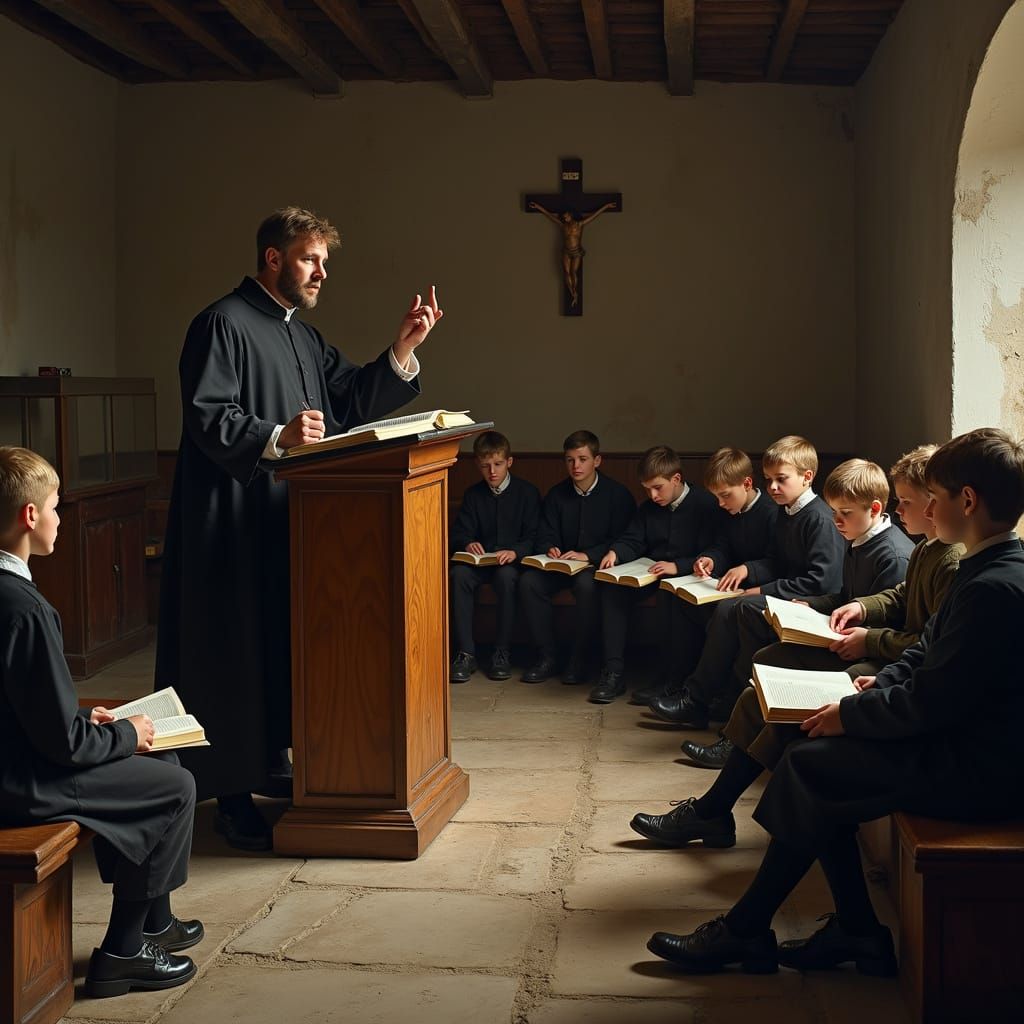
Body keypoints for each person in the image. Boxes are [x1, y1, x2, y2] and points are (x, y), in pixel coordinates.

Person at [645, 427, 1024, 976]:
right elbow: (926, 653)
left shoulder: (992, 585)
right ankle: (850, 930)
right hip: (955, 741)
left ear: (967, 501)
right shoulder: (981, 566)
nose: (925, 509)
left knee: (811, 769)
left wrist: (850, 712)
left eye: (934, 498)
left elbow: (932, 703)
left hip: (978, 769)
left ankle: (752, 929)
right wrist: (878, 685)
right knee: (808, 756)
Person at [155, 207, 442, 851]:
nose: (321, 273)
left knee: (279, 646)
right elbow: (207, 415)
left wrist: (403, 350)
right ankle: (230, 797)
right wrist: (274, 436)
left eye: (324, 262)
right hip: (229, 523)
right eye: (311, 260)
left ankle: (269, 763)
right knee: (231, 653)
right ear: (273, 258)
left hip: (290, 519)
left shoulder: (302, 335)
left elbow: (349, 400)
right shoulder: (221, 323)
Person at [0, 447, 201, 998]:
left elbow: (20, 703)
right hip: (22, 780)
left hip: (18, 756)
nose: (60, 518)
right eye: (55, 506)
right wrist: (124, 733)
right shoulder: (25, 609)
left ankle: (156, 920)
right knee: (175, 788)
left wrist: (87, 717)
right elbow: (64, 747)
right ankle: (122, 952)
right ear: (29, 516)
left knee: (164, 757)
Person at [673, 445, 962, 781]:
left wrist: (866, 637)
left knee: (784, 669)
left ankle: (760, 755)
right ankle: (737, 741)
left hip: (882, 656)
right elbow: (880, 597)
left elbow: (919, 638)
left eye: (906, 502)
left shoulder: (907, 555)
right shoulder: (917, 546)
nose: (899, 510)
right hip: (864, 640)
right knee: (766, 656)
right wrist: (819, 606)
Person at [648, 435, 844, 727]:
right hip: (786, 595)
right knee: (710, 606)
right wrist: (747, 571)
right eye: (769, 480)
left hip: (810, 606)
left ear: (807, 477)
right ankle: (706, 696)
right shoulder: (787, 511)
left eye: (781, 479)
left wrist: (758, 588)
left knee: (731, 609)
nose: (773, 487)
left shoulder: (818, 518)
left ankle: (699, 700)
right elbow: (775, 561)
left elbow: (821, 583)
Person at [632, 447, 776, 707]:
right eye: (717, 497)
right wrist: (709, 559)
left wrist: (747, 569)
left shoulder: (770, 512)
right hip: (728, 585)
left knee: (720, 614)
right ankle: (677, 681)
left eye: (725, 496)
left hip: (756, 589)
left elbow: (779, 562)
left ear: (747, 484)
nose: (720, 503)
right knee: (680, 599)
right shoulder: (728, 510)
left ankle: (701, 694)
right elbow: (721, 547)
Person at [590, 445, 717, 705]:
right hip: (650, 572)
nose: (652, 495)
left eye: (658, 487)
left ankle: (671, 680)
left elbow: (714, 549)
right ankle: (613, 673)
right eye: (647, 489)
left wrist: (679, 566)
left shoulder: (705, 504)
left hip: (688, 576)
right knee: (612, 590)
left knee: (670, 594)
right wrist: (616, 552)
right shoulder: (649, 507)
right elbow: (633, 539)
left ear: (676, 479)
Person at [519, 429, 635, 685]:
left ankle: (579, 659)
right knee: (529, 582)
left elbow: (624, 539)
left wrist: (588, 555)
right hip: (561, 566)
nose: (576, 466)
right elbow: (544, 533)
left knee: (586, 585)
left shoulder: (618, 495)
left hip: (596, 567)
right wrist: (550, 547)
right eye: (570, 460)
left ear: (597, 460)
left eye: (582, 459)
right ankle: (547, 656)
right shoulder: (556, 494)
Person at [449, 431, 540, 683]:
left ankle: (502, 651)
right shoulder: (473, 494)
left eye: (498, 464)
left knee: (506, 578)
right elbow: (459, 532)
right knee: (458, 575)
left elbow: (535, 536)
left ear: (509, 462)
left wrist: (516, 552)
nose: (492, 472)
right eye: (485, 466)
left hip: (510, 563)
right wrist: (468, 543)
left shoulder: (527, 493)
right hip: (480, 563)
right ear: (477, 464)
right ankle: (466, 653)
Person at [527, 200, 618, 307]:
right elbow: (550, 216)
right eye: (564, 218)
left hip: (576, 251)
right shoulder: (563, 226)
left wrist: (606, 206)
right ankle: (572, 293)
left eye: (566, 217)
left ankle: (575, 291)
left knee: (573, 272)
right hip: (566, 251)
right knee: (566, 272)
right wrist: (538, 207)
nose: (565, 219)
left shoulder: (579, 224)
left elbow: (594, 215)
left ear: (570, 215)